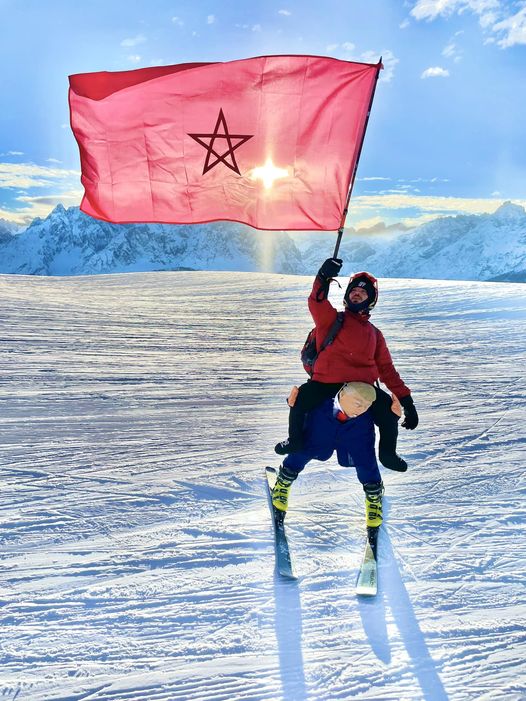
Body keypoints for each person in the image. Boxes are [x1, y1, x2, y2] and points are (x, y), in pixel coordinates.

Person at [274, 257, 419, 472]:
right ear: (346, 295)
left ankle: (388, 453)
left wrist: (407, 402)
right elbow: (317, 301)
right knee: (300, 399)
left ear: (371, 300)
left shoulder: (375, 334)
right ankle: (294, 440)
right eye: (353, 290)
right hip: (325, 382)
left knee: (388, 412)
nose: (357, 293)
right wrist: (323, 277)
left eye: (364, 291)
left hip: (363, 388)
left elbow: (387, 371)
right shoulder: (331, 320)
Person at [272, 381, 384, 527]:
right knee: (306, 447)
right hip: (325, 404)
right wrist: (299, 400)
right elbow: (311, 362)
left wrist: (401, 406)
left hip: (360, 416)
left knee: (363, 456)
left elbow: (384, 365)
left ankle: (373, 494)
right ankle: (285, 478)